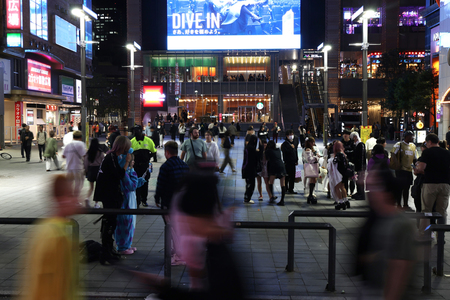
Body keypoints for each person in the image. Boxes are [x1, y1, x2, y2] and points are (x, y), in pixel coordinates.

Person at [18, 175, 82, 300]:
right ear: (60, 199)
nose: (77, 200)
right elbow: (56, 285)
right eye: (71, 195)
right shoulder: (58, 237)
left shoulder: (43, 228)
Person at [356, 167, 415, 300]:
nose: (370, 192)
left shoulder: (401, 225)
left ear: (386, 192)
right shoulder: (376, 218)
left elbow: (399, 269)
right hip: (371, 289)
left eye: (374, 187)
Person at [94, 136, 131, 265]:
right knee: (109, 221)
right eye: (127, 147)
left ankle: (109, 249)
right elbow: (119, 175)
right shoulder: (111, 157)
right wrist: (127, 162)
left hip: (110, 193)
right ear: (123, 147)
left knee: (112, 221)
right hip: (108, 194)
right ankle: (106, 252)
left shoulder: (112, 157)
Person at [416, 133, 450, 234]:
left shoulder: (427, 152)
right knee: (442, 212)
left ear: (429, 142)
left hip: (430, 184)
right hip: (445, 184)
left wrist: (417, 168)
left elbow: (421, 168)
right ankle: (440, 236)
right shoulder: (447, 153)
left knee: (426, 210)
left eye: (426, 142)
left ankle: (424, 233)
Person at [115, 152, 146, 255]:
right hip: (125, 202)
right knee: (126, 223)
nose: (133, 162)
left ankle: (127, 245)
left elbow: (132, 185)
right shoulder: (124, 172)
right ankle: (123, 247)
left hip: (129, 200)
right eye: (131, 160)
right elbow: (131, 186)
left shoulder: (126, 171)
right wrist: (134, 173)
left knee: (130, 223)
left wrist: (139, 181)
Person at [155, 141, 189, 210]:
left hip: (169, 201)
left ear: (167, 152)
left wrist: (157, 198)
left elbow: (160, 185)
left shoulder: (165, 166)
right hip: (183, 201)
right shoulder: (185, 165)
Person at [390, 131, 417, 209]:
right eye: (411, 136)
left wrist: (416, 166)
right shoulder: (399, 145)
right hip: (400, 170)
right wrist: (397, 163)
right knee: (400, 188)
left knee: (407, 188)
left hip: (409, 170)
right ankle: (398, 204)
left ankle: (405, 204)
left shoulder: (413, 146)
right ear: (407, 137)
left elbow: (415, 158)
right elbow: (393, 154)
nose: (412, 138)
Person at [130, 126, 157, 207]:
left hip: (145, 166)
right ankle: (137, 201)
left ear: (141, 130)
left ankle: (144, 200)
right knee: (136, 183)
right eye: (134, 131)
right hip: (135, 166)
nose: (135, 132)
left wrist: (148, 158)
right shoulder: (132, 142)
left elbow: (154, 151)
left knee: (145, 183)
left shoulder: (148, 141)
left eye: (137, 130)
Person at [62, 131, 86, 198]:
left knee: (69, 184)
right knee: (78, 184)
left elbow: (63, 156)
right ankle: (75, 200)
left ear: (73, 137)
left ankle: (69, 198)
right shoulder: (81, 144)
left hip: (69, 167)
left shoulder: (68, 145)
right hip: (78, 167)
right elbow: (84, 155)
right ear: (80, 137)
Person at [328, 141, 350, 210]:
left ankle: (341, 203)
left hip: (339, 174)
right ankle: (346, 201)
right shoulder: (343, 154)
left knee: (337, 188)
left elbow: (334, 162)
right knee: (342, 187)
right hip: (344, 174)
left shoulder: (338, 154)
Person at [84, 138, 105, 208]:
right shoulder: (100, 153)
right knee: (98, 188)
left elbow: (85, 162)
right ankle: (96, 203)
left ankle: (87, 198)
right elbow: (103, 162)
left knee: (91, 187)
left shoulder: (88, 153)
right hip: (98, 170)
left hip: (91, 170)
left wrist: (86, 170)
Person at [265, 140, 287, 206]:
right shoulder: (278, 150)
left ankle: (272, 197)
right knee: (283, 184)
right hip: (281, 166)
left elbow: (266, 159)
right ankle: (282, 200)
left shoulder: (268, 151)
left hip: (273, 167)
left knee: (271, 182)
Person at [350, 132, 367, 200]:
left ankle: (361, 194)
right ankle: (359, 193)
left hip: (360, 167)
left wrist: (361, 168)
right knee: (358, 180)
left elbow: (362, 157)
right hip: (359, 166)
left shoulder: (360, 145)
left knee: (360, 180)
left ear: (355, 137)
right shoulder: (357, 145)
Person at [303, 138, 320, 204]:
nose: (313, 143)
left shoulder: (311, 149)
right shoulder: (308, 149)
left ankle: (310, 195)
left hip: (314, 166)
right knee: (312, 180)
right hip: (312, 166)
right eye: (313, 142)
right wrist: (316, 157)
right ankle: (310, 195)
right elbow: (309, 159)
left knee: (314, 180)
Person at [281, 130, 299, 194]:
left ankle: (291, 189)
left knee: (292, 176)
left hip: (293, 162)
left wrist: (296, 160)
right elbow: (285, 153)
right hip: (287, 162)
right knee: (287, 176)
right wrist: (291, 148)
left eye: (292, 134)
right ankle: (286, 188)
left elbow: (295, 151)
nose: (291, 136)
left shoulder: (294, 142)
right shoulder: (285, 144)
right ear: (287, 136)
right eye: (290, 134)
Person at [242, 135, 258, 204]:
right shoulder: (251, 148)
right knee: (251, 184)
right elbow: (255, 158)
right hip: (250, 169)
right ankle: (247, 198)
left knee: (248, 184)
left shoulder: (247, 147)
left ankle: (247, 198)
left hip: (246, 168)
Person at [342, 129, 355, 197]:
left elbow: (354, 152)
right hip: (344, 163)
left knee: (352, 178)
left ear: (349, 135)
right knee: (345, 178)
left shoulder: (352, 143)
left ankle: (352, 192)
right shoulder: (341, 142)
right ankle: (346, 192)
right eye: (344, 134)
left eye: (346, 134)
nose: (345, 135)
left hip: (351, 162)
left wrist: (346, 153)